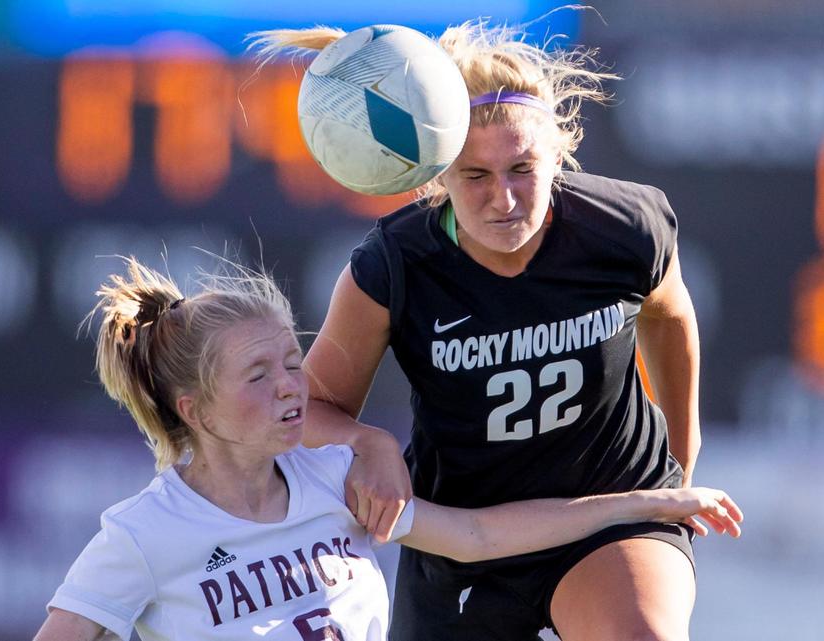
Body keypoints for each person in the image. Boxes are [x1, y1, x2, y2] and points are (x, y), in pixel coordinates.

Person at [253, 19, 716, 641]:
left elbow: (671, 317)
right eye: (475, 176)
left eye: (523, 167)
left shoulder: (626, 227)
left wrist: (679, 466)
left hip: (613, 513)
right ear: (437, 176)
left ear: (558, 154)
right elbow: (309, 410)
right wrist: (371, 444)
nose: (504, 199)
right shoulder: (394, 266)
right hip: (465, 537)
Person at [32, 258, 741, 641]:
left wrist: (648, 502)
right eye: (259, 374)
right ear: (194, 409)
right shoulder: (142, 534)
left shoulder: (336, 476)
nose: (292, 386)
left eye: (290, 360)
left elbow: (479, 531)